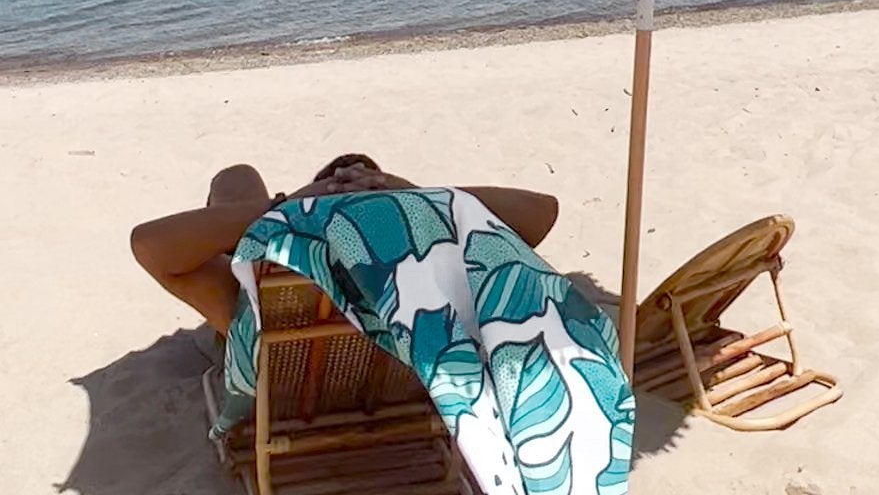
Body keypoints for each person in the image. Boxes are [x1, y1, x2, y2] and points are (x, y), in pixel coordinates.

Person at [130, 153, 560, 337]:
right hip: (401, 352)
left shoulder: (255, 306)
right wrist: (409, 196)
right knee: (237, 178)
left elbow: (148, 245)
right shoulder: (432, 269)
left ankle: (253, 232)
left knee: (236, 178)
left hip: (281, 365)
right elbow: (541, 211)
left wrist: (290, 208)